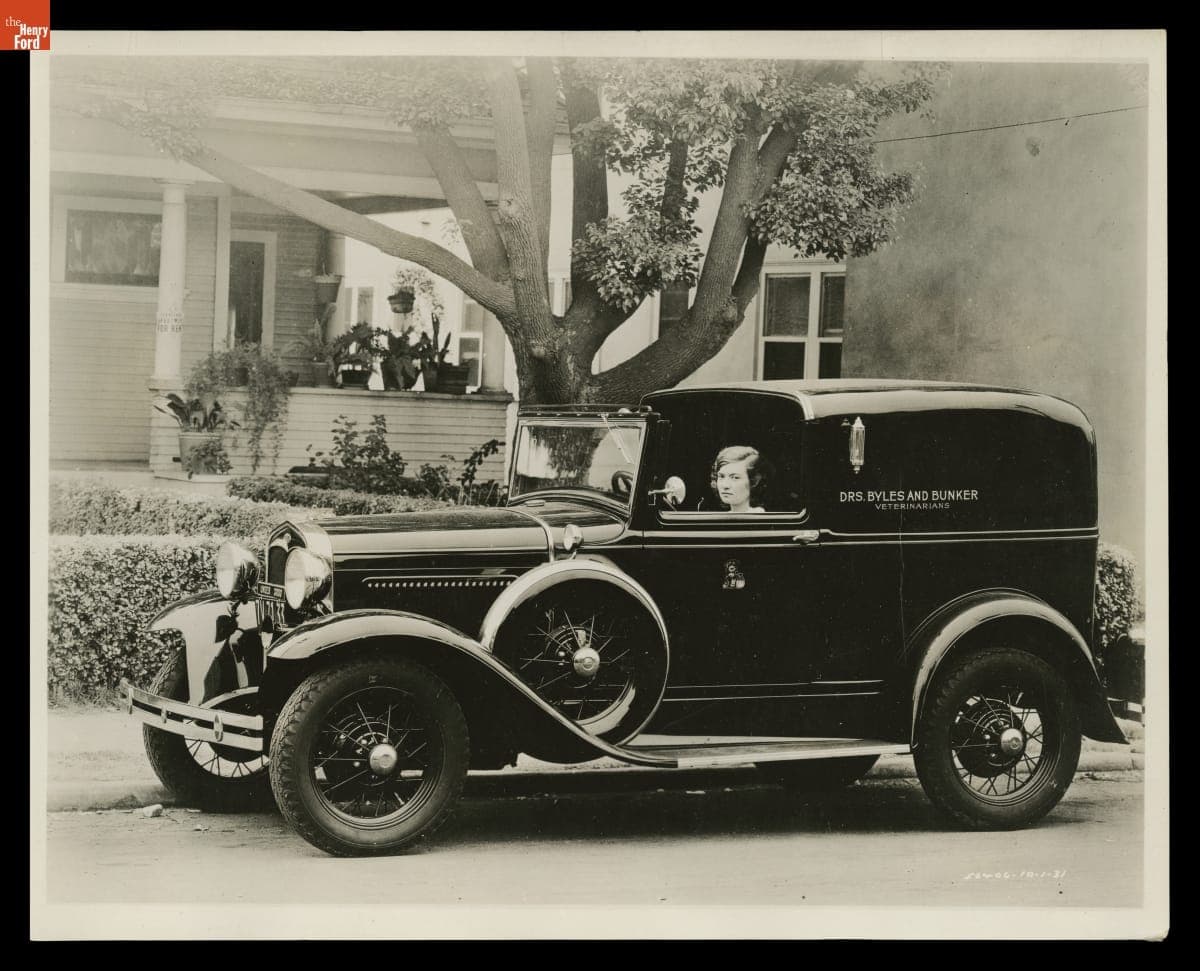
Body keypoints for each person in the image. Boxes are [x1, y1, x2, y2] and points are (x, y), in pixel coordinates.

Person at [710, 445, 772, 513]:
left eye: (735, 478)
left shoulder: (761, 518)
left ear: (754, 481)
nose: (725, 486)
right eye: (721, 476)